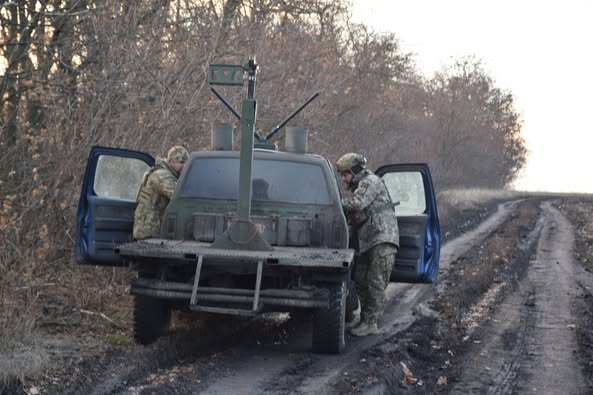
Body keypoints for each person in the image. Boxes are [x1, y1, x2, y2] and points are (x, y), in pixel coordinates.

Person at [336, 152, 399, 336]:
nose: (343, 179)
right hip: (369, 242)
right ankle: (365, 320)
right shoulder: (359, 185)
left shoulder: (370, 181)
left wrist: (335, 202)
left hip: (383, 239)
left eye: (345, 174)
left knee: (375, 282)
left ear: (355, 172)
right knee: (361, 279)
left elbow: (357, 203)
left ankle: (371, 323)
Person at [133, 145, 190, 240]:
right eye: (181, 162)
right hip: (149, 228)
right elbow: (178, 196)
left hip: (147, 226)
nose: (184, 167)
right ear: (172, 161)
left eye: (185, 163)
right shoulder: (162, 176)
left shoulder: (161, 172)